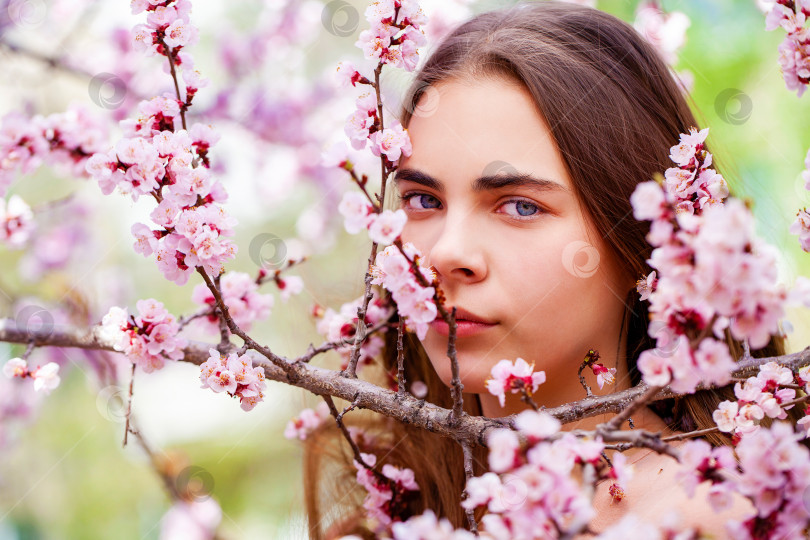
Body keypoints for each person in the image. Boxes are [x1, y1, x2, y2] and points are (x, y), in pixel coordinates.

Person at [304, 2, 798, 538]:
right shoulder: (387, 494)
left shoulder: (709, 519)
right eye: (423, 199)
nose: (447, 253)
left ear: (643, 237)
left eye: (519, 206)